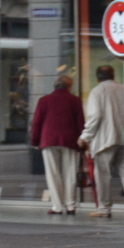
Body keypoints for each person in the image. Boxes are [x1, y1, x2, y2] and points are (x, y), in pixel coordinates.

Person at [29, 74, 85, 215]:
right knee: (70, 173)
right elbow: (81, 123)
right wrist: (83, 140)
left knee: (53, 174)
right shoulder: (75, 100)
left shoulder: (44, 100)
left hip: (49, 140)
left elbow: (36, 123)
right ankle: (71, 205)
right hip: (70, 141)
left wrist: (35, 140)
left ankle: (57, 206)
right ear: (69, 86)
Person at [79, 64, 124, 218]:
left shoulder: (97, 92)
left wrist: (85, 137)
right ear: (113, 76)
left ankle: (104, 209)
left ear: (98, 77)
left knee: (103, 176)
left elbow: (95, 116)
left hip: (105, 140)